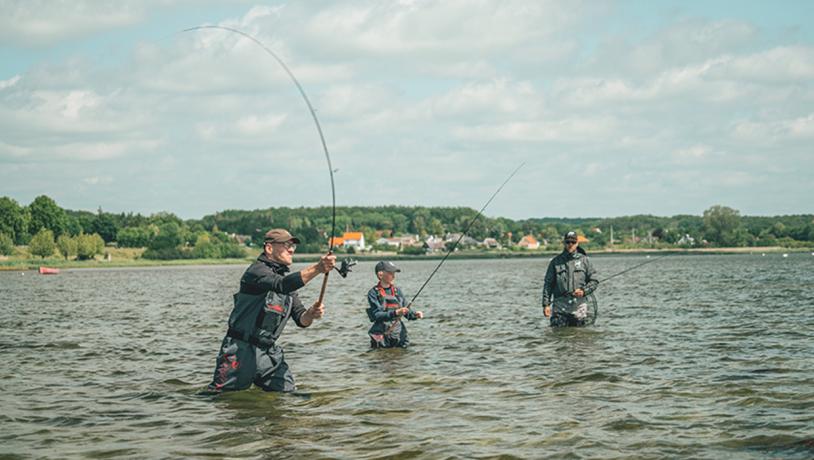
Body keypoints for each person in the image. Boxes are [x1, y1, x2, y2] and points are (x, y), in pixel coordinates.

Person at [208, 228, 336, 392]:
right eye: (286, 245)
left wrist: (311, 313)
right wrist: (318, 268)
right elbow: (281, 285)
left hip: (269, 353)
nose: (291, 249)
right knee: (218, 397)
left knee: (289, 395)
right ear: (269, 248)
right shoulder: (256, 272)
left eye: (293, 246)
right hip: (240, 351)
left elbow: (301, 320)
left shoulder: (287, 283)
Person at [542, 231, 599, 327]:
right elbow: (548, 285)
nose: (570, 245)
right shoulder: (555, 262)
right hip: (559, 308)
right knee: (558, 336)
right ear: (564, 243)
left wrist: (583, 291)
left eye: (573, 242)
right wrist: (546, 305)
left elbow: (594, 281)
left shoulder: (585, 260)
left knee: (578, 338)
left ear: (577, 243)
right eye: (568, 242)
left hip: (579, 309)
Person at [366, 261, 423, 348]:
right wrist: (395, 313)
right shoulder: (373, 293)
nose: (393, 276)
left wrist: (415, 315)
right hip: (382, 333)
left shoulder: (397, 291)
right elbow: (377, 315)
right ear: (380, 275)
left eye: (394, 273)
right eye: (390, 273)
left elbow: (407, 312)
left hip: (399, 333)